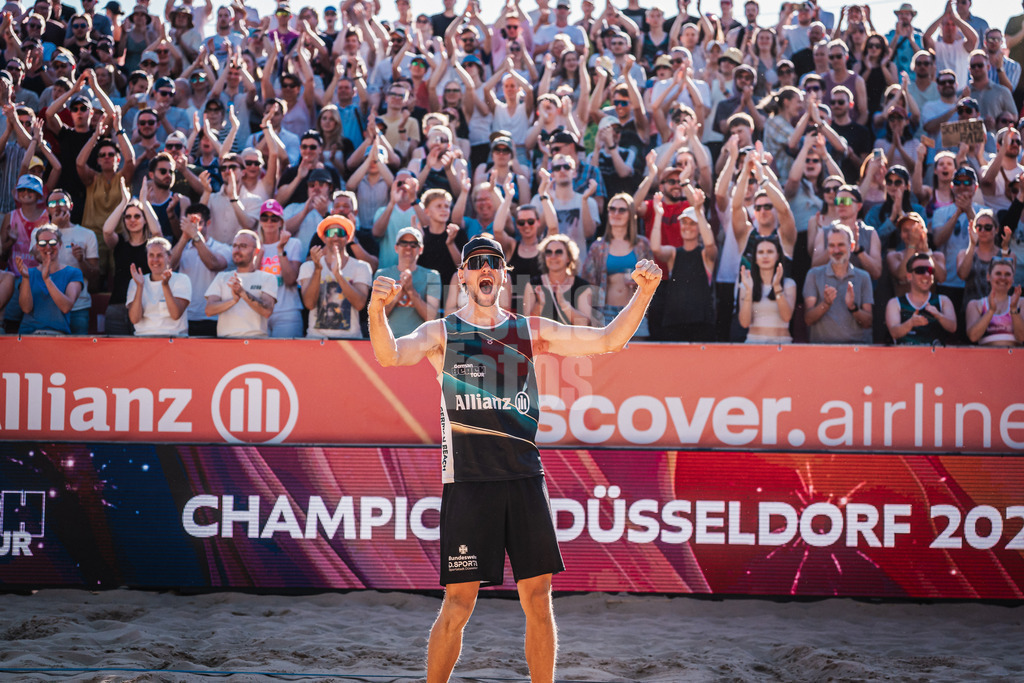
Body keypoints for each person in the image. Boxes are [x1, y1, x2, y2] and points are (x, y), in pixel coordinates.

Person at [367, 233, 661, 683]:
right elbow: (389, 355)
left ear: (505, 275)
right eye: (476, 262)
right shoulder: (442, 333)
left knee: (539, 598)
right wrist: (375, 311)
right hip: (469, 483)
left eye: (494, 262)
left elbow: (607, 340)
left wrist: (646, 291)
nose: (486, 268)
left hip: (523, 479)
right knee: (459, 604)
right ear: (462, 274)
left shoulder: (529, 330)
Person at [649, 188, 718, 342]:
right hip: (674, 324)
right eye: (684, 222)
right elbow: (656, 249)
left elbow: (710, 244)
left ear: (699, 227)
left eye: (692, 223)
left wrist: (699, 213)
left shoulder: (705, 255)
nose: (687, 227)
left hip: (701, 324)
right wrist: (658, 215)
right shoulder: (674, 254)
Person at [298, 215, 372, 339]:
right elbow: (309, 304)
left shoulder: (361, 267)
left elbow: (359, 304)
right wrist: (317, 270)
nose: (335, 237)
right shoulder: (309, 267)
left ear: (348, 237)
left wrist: (338, 274)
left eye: (340, 232)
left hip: (351, 340)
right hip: (316, 339)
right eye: (331, 233)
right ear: (323, 237)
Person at [803, 222, 874, 344]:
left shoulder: (863, 277)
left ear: (851, 246)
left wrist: (853, 307)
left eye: (840, 245)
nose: (836, 250)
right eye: (831, 245)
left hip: (856, 349)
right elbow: (808, 319)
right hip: (822, 349)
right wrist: (825, 304)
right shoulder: (813, 275)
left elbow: (868, 322)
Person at [169, 203, 231, 338]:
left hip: (212, 317)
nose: (193, 227)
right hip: (185, 317)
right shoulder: (182, 248)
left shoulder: (222, 248)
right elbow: (169, 267)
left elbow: (213, 264)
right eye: (190, 223)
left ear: (208, 223)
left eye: (197, 222)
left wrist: (196, 237)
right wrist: (185, 237)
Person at [204, 229, 278, 338]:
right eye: (234, 246)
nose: (237, 250)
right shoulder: (221, 277)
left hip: (256, 340)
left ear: (256, 251)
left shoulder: (268, 278)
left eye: (243, 246)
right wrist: (233, 301)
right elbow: (209, 310)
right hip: (225, 341)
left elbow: (267, 311)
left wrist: (243, 293)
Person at [373, 226, 441, 338]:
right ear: (396, 248)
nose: (408, 247)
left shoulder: (432, 276)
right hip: (388, 342)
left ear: (421, 249)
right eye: (404, 243)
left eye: (414, 244)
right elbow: (376, 317)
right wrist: (397, 293)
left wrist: (410, 290)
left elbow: (432, 317)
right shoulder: (382, 275)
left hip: (419, 342)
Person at [13, 225, 83, 334]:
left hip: (57, 335)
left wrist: (47, 280)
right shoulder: (29, 273)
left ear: (60, 245)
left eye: (52, 243)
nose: (48, 247)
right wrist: (26, 279)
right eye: (42, 243)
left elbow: (66, 307)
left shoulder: (73, 273)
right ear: (37, 246)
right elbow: (26, 308)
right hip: (29, 334)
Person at [885, 251, 957, 345]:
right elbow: (894, 333)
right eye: (920, 270)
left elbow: (953, 327)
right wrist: (911, 323)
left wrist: (939, 316)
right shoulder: (895, 303)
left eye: (930, 270)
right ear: (909, 276)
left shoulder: (943, 301)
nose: (926, 275)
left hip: (936, 357)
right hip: (905, 357)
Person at [522, 233, 593, 326]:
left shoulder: (583, 286)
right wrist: (540, 304)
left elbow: (584, 325)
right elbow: (527, 324)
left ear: (568, 257)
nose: (553, 256)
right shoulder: (532, 284)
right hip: (541, 340)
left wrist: (564, 304)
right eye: (548, 252)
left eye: (558, 252)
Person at [126, 236, 191, 337]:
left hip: (173, 340)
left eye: (159, 255)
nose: (155, 260)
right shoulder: (136, 281)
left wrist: (165, 285)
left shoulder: (182, 279)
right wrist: (140, 286)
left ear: (169, 257)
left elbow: (175, 314)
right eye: (151, 255)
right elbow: (135, 319)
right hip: (143, 339)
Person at [737, 234, 796, 343]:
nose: (765, 256)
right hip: (754, 342)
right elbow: (744, 323)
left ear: (777, 256)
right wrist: (749, 291)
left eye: (770, 252)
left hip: (781, 343)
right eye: (760, 252)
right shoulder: (745, 285)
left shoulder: (789, 284)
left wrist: (777, 286)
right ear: (755, 257)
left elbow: (786, 317)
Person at [965, 259, 1024, 345]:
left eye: (1007, 274)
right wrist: (991, 311)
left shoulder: (1021, 303)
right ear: (988, 277)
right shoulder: (975, 304)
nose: (1003, 278)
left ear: (1013, 279)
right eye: (998, 273)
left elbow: (1021, 337)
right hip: (986, 356)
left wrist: (1014, 308)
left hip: (1014, 356)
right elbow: (973, 336)